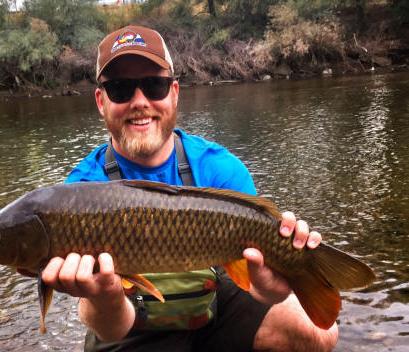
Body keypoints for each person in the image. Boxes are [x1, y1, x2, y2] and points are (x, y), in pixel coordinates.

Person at [40, 25, 339, 351]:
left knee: (317, 332)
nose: (140, 102)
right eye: (121, 89)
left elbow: (252, 284)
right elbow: (110, 328)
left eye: (155, 85)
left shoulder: (220, 167)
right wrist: (106, 297)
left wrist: (271, 289)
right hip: (128, 321)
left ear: (174, 92)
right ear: (101, 101)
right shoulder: (79, 192)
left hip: (211, 306)